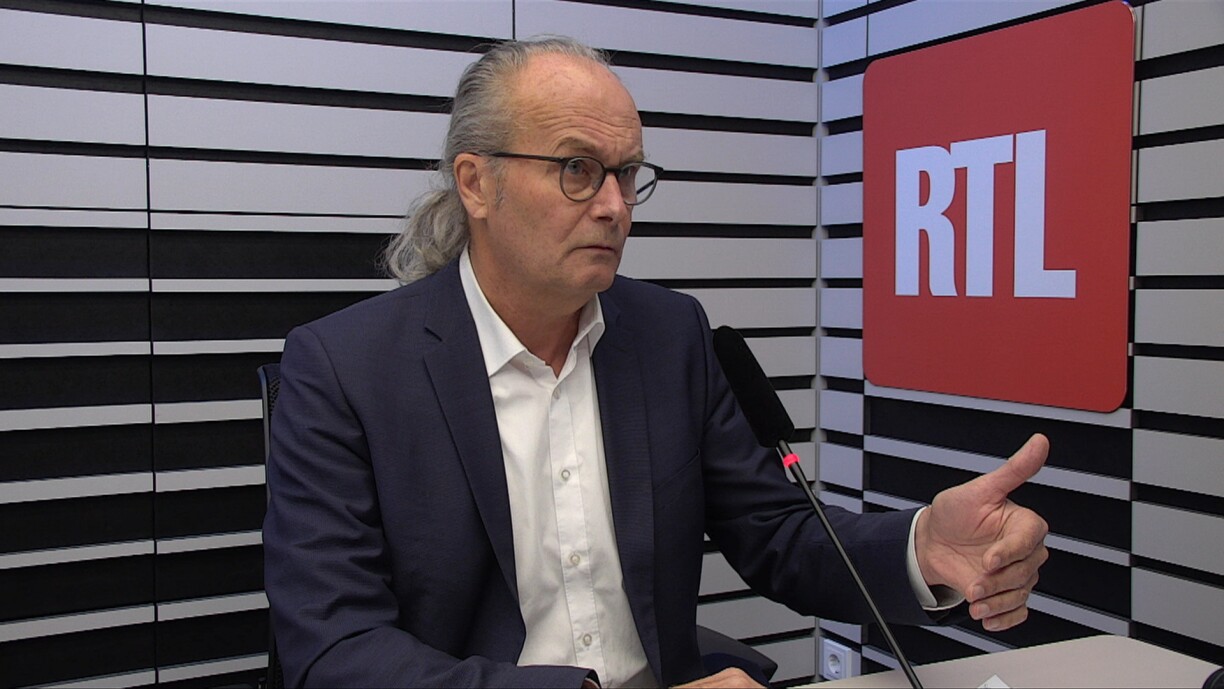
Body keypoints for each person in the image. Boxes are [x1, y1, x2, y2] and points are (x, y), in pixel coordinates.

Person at [263, 37, 1049, 689]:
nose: (614, 205)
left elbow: (778, 533)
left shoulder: (671, 335)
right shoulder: (343, 371)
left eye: (627, 173)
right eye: (577, 169)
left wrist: (922, 546)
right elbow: (336, 652)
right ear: (476, 183)